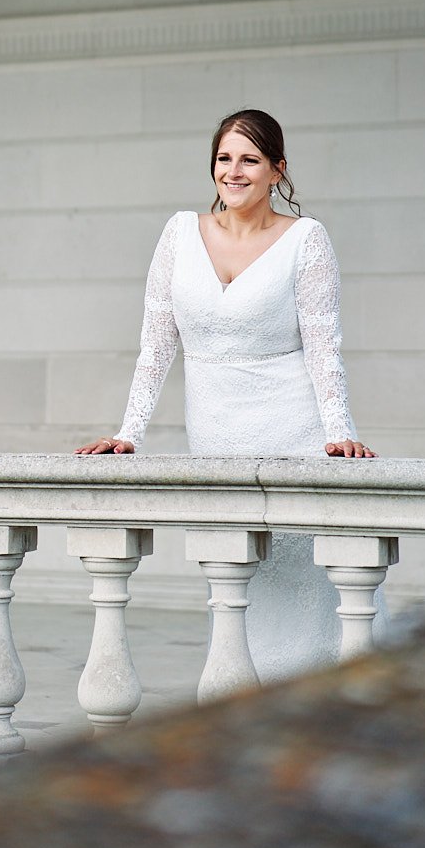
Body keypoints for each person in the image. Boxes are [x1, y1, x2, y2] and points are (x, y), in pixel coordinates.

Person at [76, 108, 379, 681]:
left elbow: (323, 346)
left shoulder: (306, 239)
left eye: (250, 160)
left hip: (295, 429)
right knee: (238, 582)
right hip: (215, 432)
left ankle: (319, 701)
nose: (233, 172)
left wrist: (340, 434)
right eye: (224, 158)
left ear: (276, 171)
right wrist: (128, 434)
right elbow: (156, 345)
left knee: (305, 580)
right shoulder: (178, 235)